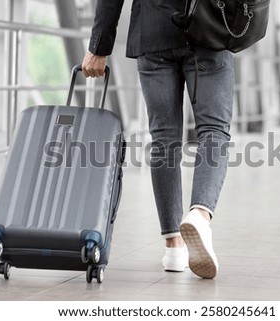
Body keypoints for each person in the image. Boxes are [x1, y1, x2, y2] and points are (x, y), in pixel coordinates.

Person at [82, 0, 234, 279]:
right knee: (213, 130)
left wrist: (99, 47)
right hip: (207, 28)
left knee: (164, 139)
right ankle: (199, 215)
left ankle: (174, 246)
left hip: (153, 32)